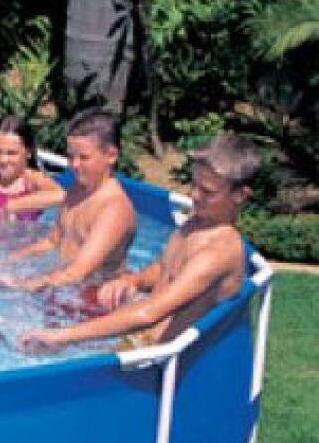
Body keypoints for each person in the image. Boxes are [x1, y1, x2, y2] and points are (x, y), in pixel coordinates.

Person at [21, 133, 259, 352]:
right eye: (194, 185)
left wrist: (62, 337)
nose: (194, 195)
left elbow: (150, 314)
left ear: (240, 195)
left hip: (159, 362)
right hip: (141, 342)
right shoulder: (196, 223)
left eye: (207, 192)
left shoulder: (219, 252)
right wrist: (133, 281)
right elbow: (166, 267)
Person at [4, 108, 135, 290]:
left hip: (94, 298)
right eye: (71, 156)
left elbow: (78, 272)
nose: (74, 165)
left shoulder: (114, 209)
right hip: (64, 286)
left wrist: (23, 286)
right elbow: (53, 241)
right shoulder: (77, 189)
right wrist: (12, 259)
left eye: (84, 157)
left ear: (111, 155)